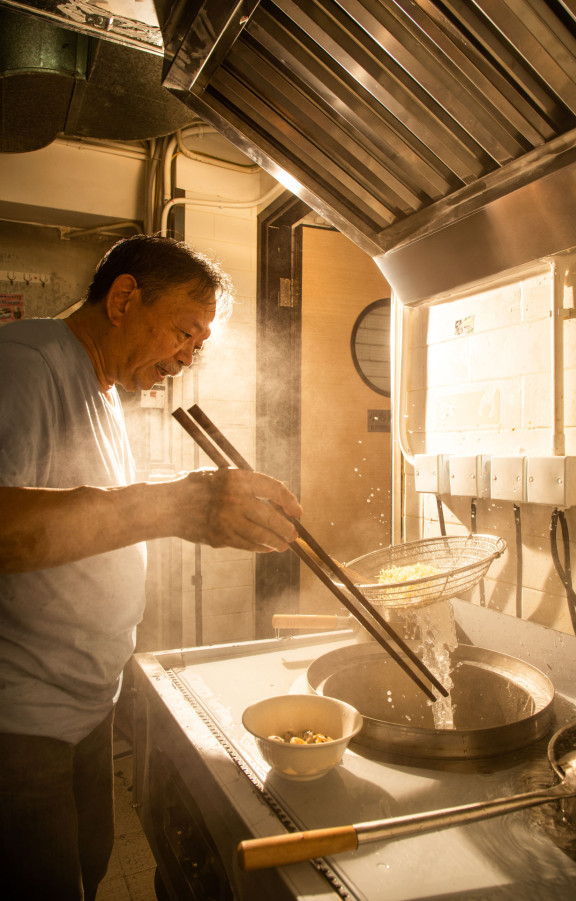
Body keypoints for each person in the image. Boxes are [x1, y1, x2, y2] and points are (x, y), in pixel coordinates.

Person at [0, 234, 302, 900]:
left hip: (81, 703)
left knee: (86, 866)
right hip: (19, 722)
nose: (186, 360)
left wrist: (193, 492)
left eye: (199, 347)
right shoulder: (27, 363)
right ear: (125, 298)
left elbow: (74, 497)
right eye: (183, 333)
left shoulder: (101, 388)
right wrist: (175, 505)